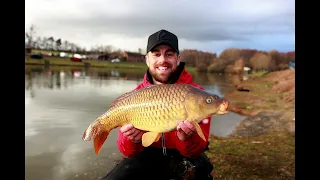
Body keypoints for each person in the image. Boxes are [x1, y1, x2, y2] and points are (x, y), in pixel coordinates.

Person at [101, 29, 214, 180]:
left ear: (178, 59)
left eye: (169, 54)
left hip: (183, 154)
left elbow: (197, 148)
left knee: (200, 170)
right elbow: (127, 152)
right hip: (147, 152)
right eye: (156, 54)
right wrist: (132, 140)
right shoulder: (134, 97)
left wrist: (186, 139)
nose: (163, 60)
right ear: (147, 59)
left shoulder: (198, 95)